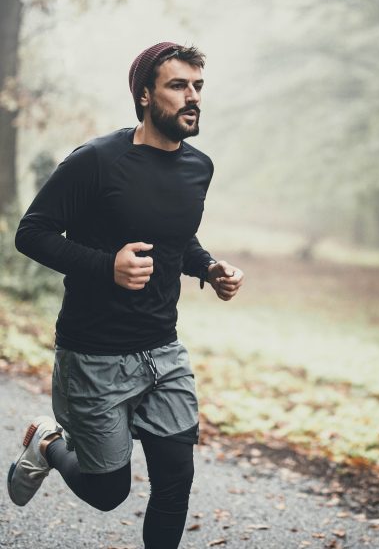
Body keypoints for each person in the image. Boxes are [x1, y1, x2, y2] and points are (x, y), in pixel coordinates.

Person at [7, 42, 244, 549]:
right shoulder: (96, 161)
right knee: (108, 492)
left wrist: (209, 268)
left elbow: (178, 240)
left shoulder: (198, 167)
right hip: (93, 353)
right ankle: (47, 443)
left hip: (163, 350)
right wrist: (105, 266)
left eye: (198, 86)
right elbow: (32, 232)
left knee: (176, 481)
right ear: (144, 96)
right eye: (178, 86)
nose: (192, 97)